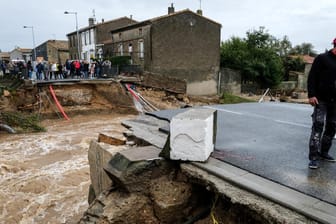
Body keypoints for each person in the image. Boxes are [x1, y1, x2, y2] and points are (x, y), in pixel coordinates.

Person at [307, 38, 336, 169]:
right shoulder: (322, 58)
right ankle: (313, 157)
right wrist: (311, 95)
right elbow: (312, 76)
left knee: (331, 127)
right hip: (321, 99)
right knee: (318, 126)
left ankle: (324, 153)